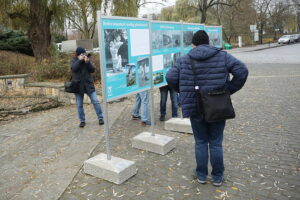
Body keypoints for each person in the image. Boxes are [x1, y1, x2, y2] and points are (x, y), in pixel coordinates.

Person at [166, 30, 248, 187]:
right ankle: (217, 177)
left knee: (201, 142)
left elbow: (170, 77)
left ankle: (201, 175)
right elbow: (242, 71)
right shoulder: (223, 56)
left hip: (196, 107)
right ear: (208, 42)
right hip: (217, 105)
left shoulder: (185, 59)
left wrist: (183, 91)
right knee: (216, 143)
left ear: (193, 44)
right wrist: (227, 91)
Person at [71, 47, 104, 128]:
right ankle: (82, 121)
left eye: (84, 54)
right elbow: (73, 69)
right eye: (82, 54)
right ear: (78, 54)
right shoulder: (74, 61)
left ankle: (100, 118)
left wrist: (87, 62)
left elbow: (92, 70)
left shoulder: (87, 60)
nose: (83, 55)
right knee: (79, 105)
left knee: (96, 101)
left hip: (88, 85)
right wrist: (79, 60)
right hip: (78, 86)